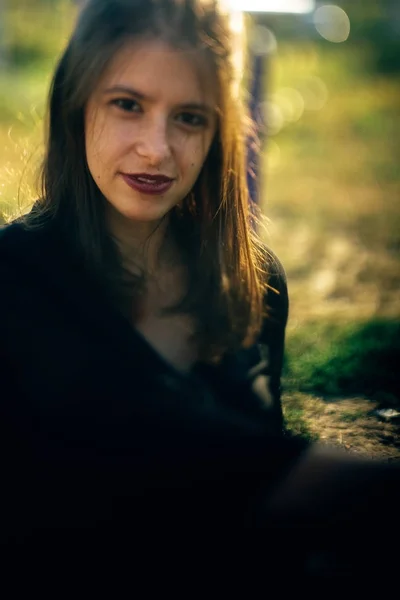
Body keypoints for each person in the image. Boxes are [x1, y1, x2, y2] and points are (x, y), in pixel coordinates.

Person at [0, 0, 398, 575]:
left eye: (189, 117)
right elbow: (166, 450)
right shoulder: (15, 278)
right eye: (128, 105)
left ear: (221, 131)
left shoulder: (258, 283)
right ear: (75, 103)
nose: (157, 149)